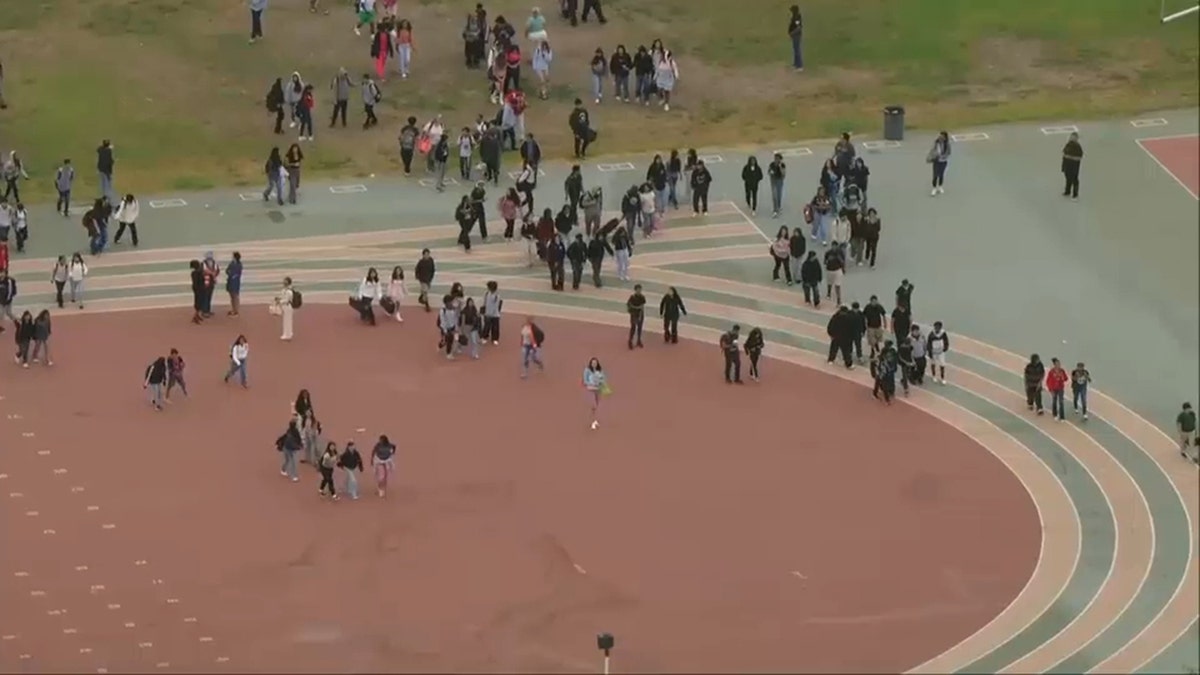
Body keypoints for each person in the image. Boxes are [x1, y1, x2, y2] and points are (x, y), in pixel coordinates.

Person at [583, 357, 608, 430]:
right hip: (591, 389)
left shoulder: (600, 370)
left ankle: (595, 420)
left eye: (595, 363)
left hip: (598, 389)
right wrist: (592, 383)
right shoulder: (587, 370)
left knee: (597, 405)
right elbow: (585, 381)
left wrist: (600, 382)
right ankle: (592, 422)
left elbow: (603, 379)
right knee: (593, 405)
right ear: (590, 363)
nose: (594, 364)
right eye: (593, 363)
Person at [825, 305, 854, 369]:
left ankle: (848, 363)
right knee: (836, 349)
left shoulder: (848, 318)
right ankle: (831, 359)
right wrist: (831, 334)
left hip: (843, 337)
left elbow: (851, 328)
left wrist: (851, 337)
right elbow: (830, 326)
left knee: (845, 351)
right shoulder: (836, 317)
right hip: (837, 336)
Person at [872, 340, 898, 404]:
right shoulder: (884, 355)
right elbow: (879, 364)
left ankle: (877, 393)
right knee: (884, 384)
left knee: (880, 382)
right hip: (884, 371)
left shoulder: (890, 352)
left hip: (885, 370)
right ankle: (887, 399)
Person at [277, 416, 303, 482]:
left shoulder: (288, 431)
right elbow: (299, 439)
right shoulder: (295, 432)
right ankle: (294, 476)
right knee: (293, 462)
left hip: (286, 448)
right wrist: (300, 445)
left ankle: (283, 469)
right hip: (292, 449)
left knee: (287, 460)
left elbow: (284, 437)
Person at [927, 131, 951, 196]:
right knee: (935, 175)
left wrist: (943, 156)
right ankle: (934, 188)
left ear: (945, 137)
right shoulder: (936, 143)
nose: (940, 137)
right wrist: (931, 157)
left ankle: (940, 186)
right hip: (936, 161)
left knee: (941, 175)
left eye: (942, 136)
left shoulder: (947, 144)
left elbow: (948, 152)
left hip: (943, 161)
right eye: (940, 136)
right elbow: (932, 150)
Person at [1061, 131, 1084, 199]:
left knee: (1074, 179)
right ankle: (1067, 191)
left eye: (1073, 137)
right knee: (1068, 177)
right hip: (1067, 164)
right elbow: (1064, 152)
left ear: (1076, 138)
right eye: (1071, 137)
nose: (1072, 138)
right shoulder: (1068, 144)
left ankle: (1075, 193)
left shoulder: (1078, 147)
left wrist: (1070, 157)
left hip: (1074, 166)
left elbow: (1079, 157)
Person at [1046, 357, 1069, 421]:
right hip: (1054, 389)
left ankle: (1062, 416)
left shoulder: (1062, 371)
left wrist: (1062, 377)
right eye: (1057, 364)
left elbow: (1066, 379)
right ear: (1054, 365)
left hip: (1060, 388)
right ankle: (1055, 414)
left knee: (1061, 402)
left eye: (1059, 363)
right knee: (1054, 401)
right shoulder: (1051, 372)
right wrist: (1050, 390)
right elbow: (1048, 381)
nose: (1059, 365)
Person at [437, 294, 460, 360]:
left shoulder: (453, 309)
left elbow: (455, 318)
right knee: (446, 341)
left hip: (452, 327)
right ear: (447, 302)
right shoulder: (443, 310)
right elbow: (443, 321)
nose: (452, 302)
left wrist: (456, 327)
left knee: (450, 340)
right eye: (450, 301)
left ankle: (449, 353)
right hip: (445, 328)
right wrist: (445, 330)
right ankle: (440, 346)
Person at [626, 284, 646, 349]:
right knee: (633, 328)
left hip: (639, 314)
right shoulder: (632, 297)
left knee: (639, 328)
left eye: (640, 290)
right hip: (634, 314)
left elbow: (642, 306)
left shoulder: (642, 297)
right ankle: (630, 341)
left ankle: (638, 340)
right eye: (638, 290)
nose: (639, 291)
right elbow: (629, 305)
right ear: (635, 290)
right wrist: (634, 309)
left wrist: (641, 315)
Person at [768, 152, 787, 217]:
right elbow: (769, 172)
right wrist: (771, 172)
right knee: (774, 195)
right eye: (775, 158)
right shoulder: (772, 164)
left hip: (779, 181)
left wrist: (780, 167)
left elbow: (783, 174)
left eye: (777, 159)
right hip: (773, 180)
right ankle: (775, 209)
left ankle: (778, 206)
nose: (776, 160)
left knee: (779, 195)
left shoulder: (782, 165)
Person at [226, 251, 243, 316]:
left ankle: (236, 311)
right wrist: (229, 273)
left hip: (235, 282)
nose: (232, 257)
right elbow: (227, 270)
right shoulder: (232, 263)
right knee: (232, 296)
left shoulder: (239, 265)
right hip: (230, 281)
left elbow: (238, 273)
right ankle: (233, 309)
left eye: (233, 256)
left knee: (235, 296)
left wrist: (232, 274)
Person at [787, 4, 804, 71]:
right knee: (795, 50)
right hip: (795, 35)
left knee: (797, 50)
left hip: (796, 35)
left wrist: (792, 33)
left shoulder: (796, 17)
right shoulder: (795, 16)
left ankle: (799, 66)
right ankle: (795, 64)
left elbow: (799, 27)